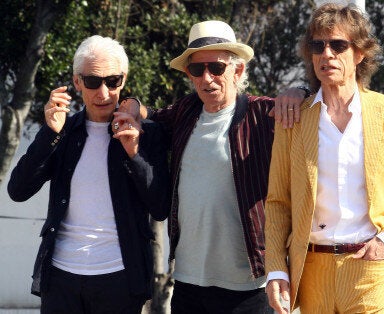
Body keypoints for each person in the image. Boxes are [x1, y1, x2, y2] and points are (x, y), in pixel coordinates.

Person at [119, 20, 307, 313]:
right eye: (197, 70)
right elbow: (151, 113)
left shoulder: (264, 114)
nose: (207, 78)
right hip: (188, 283)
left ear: (238, 71)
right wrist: (131, 103)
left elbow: (314, 117)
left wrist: (301, 90)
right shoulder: (185, 111)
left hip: (250, 285)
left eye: (216, 68)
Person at [264, 3, 384, 313]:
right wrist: (275, 268)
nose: (327, 54)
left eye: (338, 45)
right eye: (318, 46)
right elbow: (277, 202)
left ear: (360, 53)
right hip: (311, 269)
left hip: (370, 267)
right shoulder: (294, 118)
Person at [7, 35, 170, 313]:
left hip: (120, 278)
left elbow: (160, 207)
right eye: (93, 82)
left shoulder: (145, 132)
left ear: (124, 79)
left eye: (113, 81)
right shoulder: (64, 133)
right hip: (60, 277)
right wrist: (49, 134)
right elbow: (18, 190)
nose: (103, 93)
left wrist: (134, 154)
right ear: (77, 82)